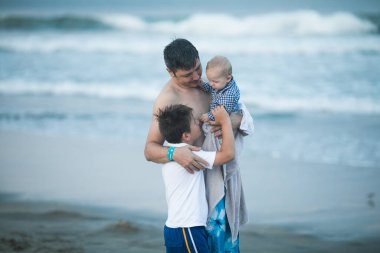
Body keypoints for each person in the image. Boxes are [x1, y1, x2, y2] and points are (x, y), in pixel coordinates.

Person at [144, 38, 254, 252]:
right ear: (170, 72)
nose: (196, 77)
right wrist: (175, 153)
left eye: (198, 68)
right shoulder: (167, 100)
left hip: (222, 176)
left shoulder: (211, 85)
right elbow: (150, 149)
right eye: (188, 75)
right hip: (195, 189)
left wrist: (234, 121)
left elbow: (244, 116)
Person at [156, 104, 235, 253]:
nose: (198, 121)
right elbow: (228, 155)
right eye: (194, 122)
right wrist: (225, 122)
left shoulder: (170, 151)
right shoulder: (191, 154)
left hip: (175, 228)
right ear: (186, 136)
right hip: (188, 229)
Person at [200, 55, 240, 123]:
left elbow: (223, 111)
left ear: (228, 78)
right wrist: (202, 84)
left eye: (215, 81)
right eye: (209, 80)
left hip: (227, 118)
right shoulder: (221, 83)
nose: (211, 84)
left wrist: (209, 116)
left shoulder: (230, 94)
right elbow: (210, 87)